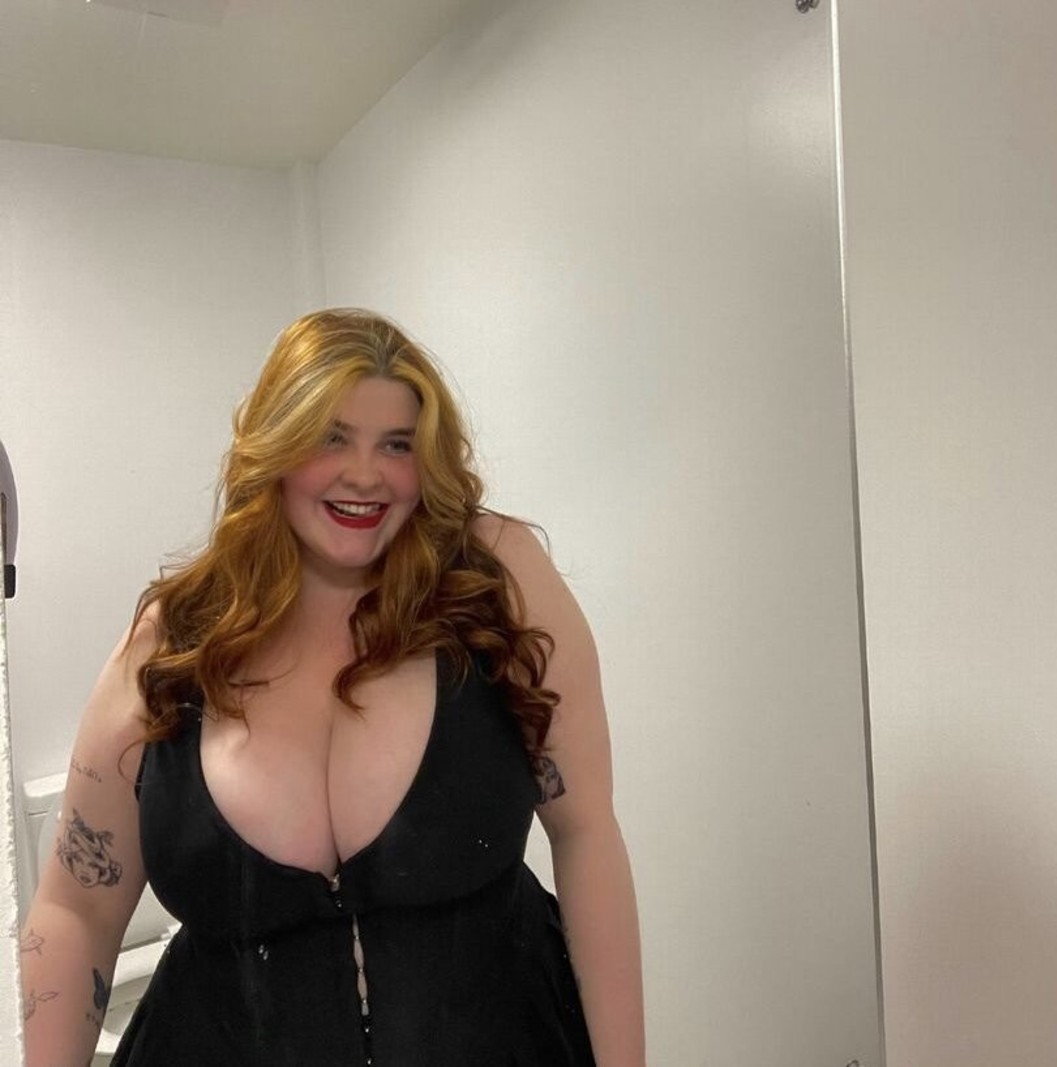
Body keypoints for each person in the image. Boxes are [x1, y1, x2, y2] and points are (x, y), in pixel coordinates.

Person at [19, 309, 645, 1066]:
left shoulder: (496, 582)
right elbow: (77, 909)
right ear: (276, 445)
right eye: (330, 437)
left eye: (397, 445)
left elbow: (586, 833)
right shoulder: (174, 640)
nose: (365, 474)